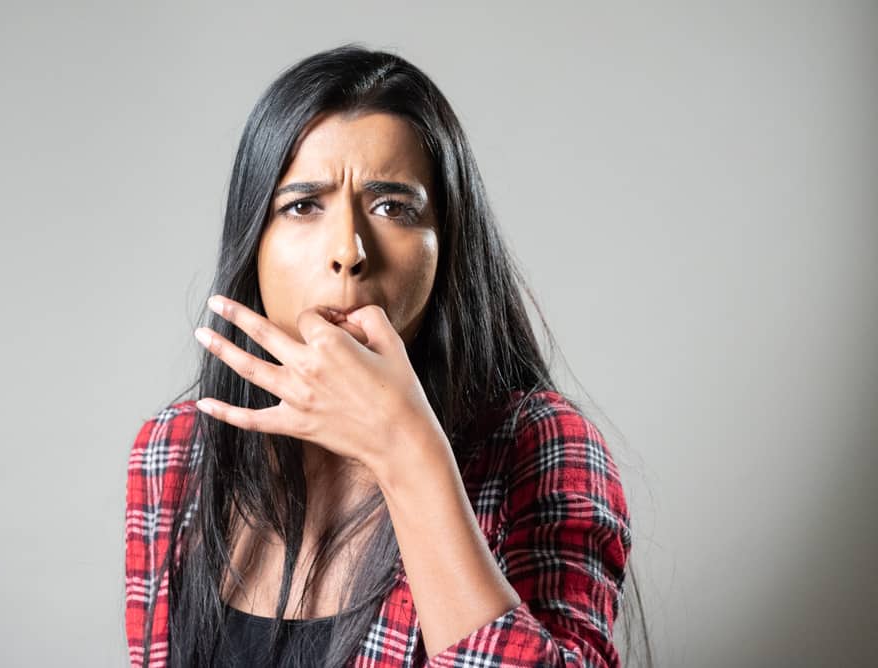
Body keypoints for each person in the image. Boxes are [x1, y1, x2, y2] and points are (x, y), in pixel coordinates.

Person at [125, 43, 650, 668]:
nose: (348, 251)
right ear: (252, 241)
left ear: (446, 244)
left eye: (393, 207)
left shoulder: (540, 445)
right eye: (302, 206)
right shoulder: (176, 453)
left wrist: (406, 451)